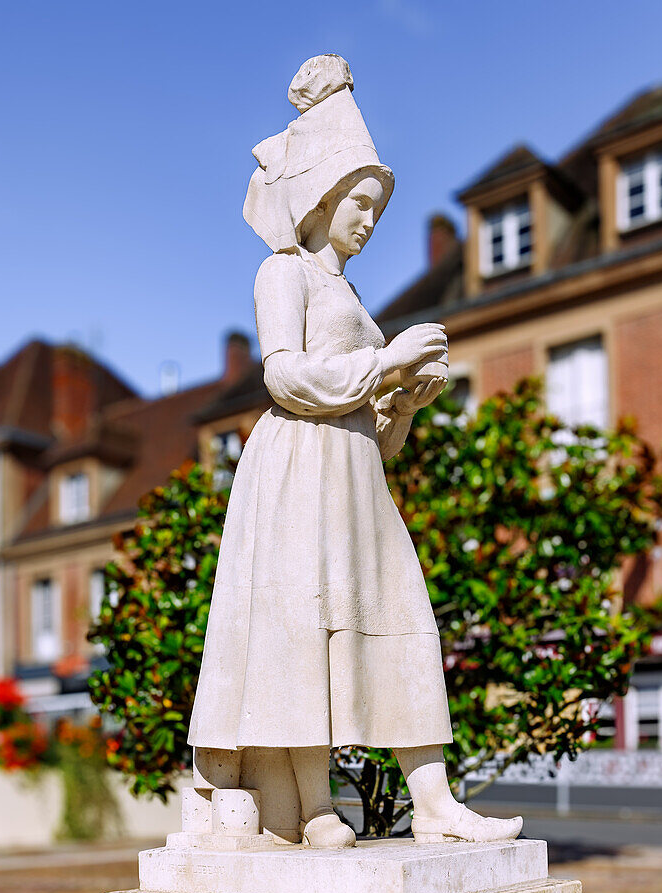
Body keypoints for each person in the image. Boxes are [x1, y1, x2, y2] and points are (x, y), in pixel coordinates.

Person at [188, 54, 522, 849]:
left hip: (352, 469)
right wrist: (385, 363)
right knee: (299, 626)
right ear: (321, 197)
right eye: (357, 202)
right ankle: (311, 806)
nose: (368, 219)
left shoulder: (354, 298)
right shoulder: (284, 275)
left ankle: (435, 806)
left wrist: (400, 402)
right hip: (297, 462)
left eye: (375, 206)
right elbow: (284, 379)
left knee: (399, 616)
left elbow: (373, 429)